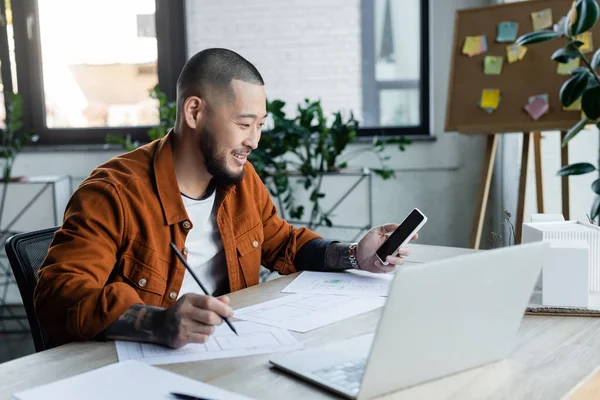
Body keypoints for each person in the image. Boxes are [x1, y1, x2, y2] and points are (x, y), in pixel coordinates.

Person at [33, 48, 417, 349]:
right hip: (132, 368)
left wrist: (354, 255)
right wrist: (159, 322)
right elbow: (58, 297)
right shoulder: (113, 193)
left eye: (260, 125)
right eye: (244, 124)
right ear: (195, 111)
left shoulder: (239, 179)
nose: (254, 140)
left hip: (223, 353)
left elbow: (280, 241)